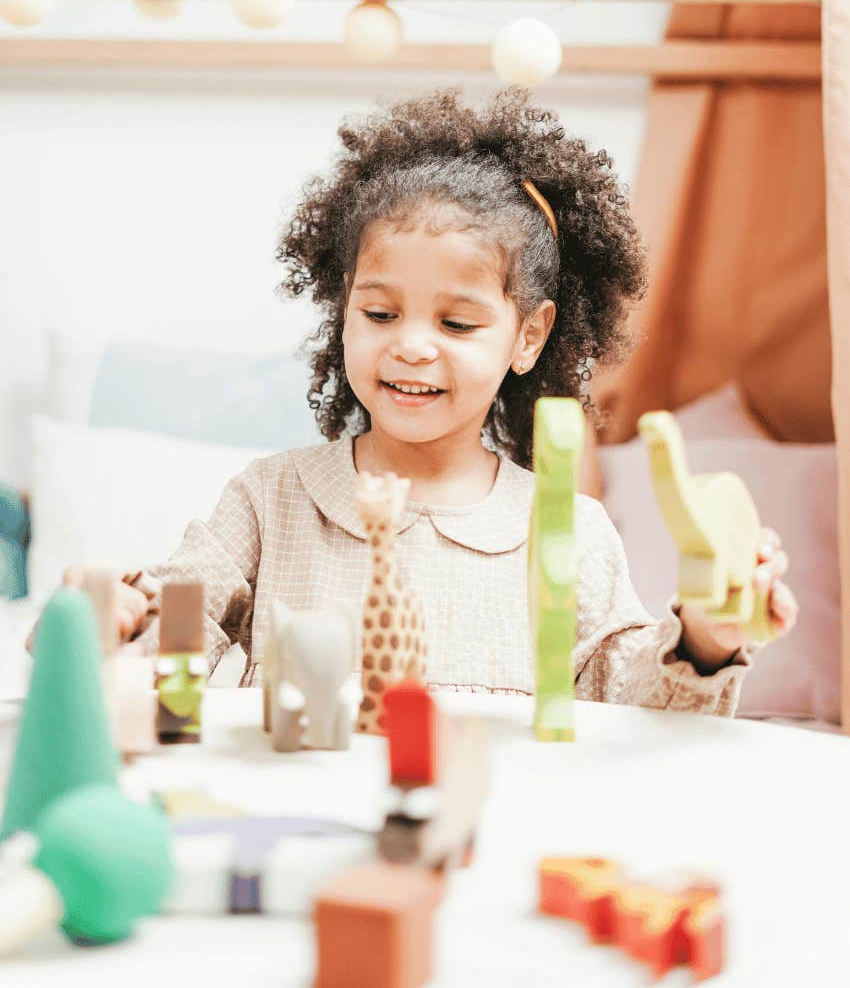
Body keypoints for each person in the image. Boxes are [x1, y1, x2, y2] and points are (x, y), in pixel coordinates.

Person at [114, 88, 796, 712]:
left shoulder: (567, 530)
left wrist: (705, 640)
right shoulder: (270, 499)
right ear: (342, 308)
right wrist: (114, 626)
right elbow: (173, 655)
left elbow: (635, 707)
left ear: (528, 337)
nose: (411, 346)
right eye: (380, 314)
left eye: (457, 324)